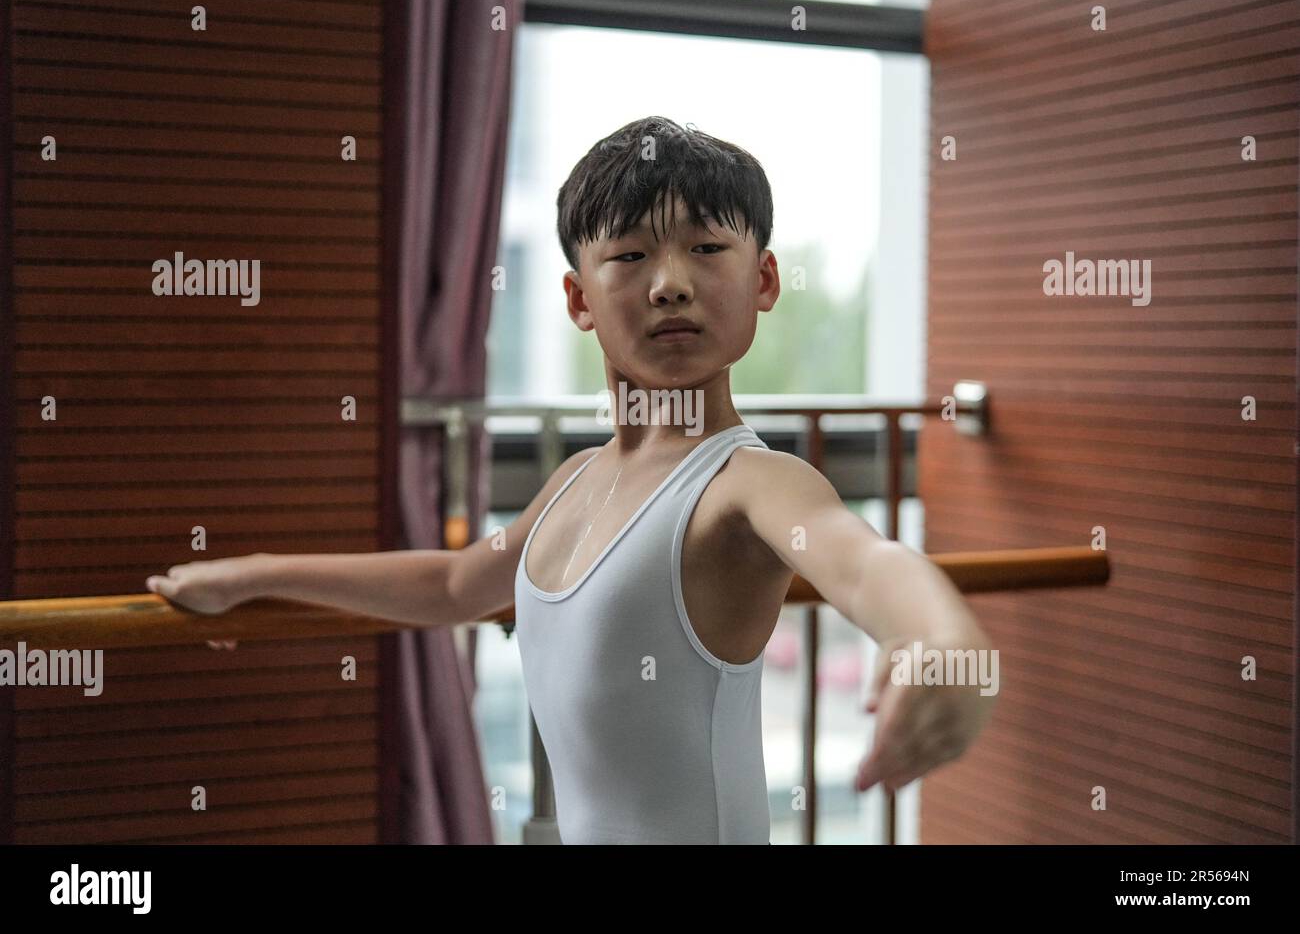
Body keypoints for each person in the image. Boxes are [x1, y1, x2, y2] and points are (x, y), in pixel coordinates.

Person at [146, 116, 996, 845]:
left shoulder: (749, 483)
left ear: (763, 279)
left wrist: (943, 640)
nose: (671, 284)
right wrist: (253, 575)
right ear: (578, 298)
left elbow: (862, 559)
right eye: (629, 255)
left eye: (707, 248)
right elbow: (451, 584)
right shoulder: (577, 482)